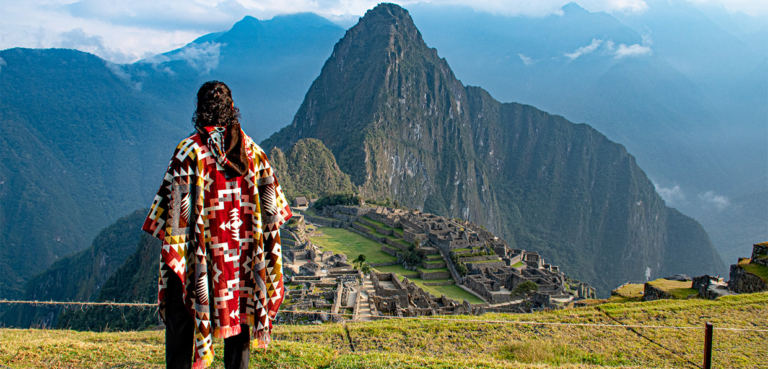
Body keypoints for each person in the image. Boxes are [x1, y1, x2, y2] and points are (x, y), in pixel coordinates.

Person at [142, 81, 292, 369]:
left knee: (180, 326)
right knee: (240, 332)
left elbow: (175, 225)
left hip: (197, 265)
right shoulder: (255, 155)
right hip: (243, 267)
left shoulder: (189, 154)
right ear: (232, 110)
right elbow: (273, 220)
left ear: (199, 111)